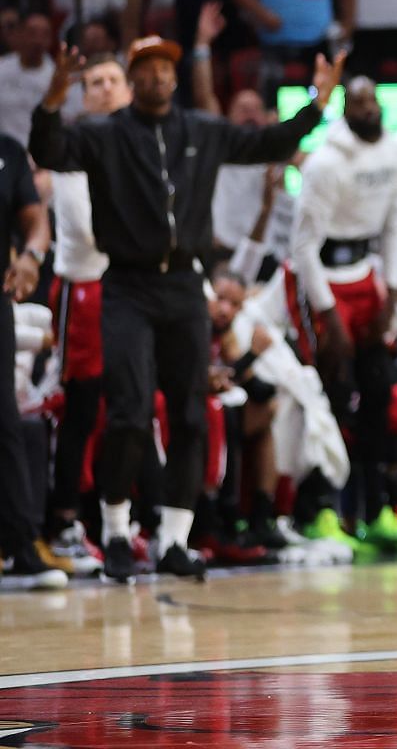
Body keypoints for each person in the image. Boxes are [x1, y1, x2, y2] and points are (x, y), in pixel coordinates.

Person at [28, 38, 338, 581]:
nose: (156, 76)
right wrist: (53, 99)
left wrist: (316, 106)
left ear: (175, 76)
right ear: (133, 78)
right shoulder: (103, 134)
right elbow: (49, 149)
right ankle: (118, 530)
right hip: (125, 284)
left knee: (193, 413)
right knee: (127, 411)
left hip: (184, 288)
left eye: (164, 67)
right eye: (144, 67)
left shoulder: (201, 130)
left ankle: (175, 538)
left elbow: (270, 141)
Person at [286, 76, 397, 550]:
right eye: (358, 102)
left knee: (379, 391)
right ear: (345, 108)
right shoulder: (325, 163)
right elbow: (302, 247)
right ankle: (319, 510)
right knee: (329, 392)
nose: (367, 109)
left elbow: (393, 225)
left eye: (372, 101)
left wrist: (390, 290)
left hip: (367, 274)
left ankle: (376, 509)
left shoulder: (394, 153)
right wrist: (329, 316)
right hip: (322, 276)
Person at [41, 53, 131, 572]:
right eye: (93, 83)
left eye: (112, 81)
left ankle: (122, 521)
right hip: (85, 288)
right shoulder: (76, 146)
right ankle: (66, 521)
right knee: (80, 410)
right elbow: (84, 225)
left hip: (134, 284)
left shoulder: (141, 139)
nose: (103, 89)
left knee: (133, 407)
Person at [0, 121, 58, 589]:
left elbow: (35, 220)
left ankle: (22, 545)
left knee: (5, 424)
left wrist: (31, 255)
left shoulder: (8, 151)